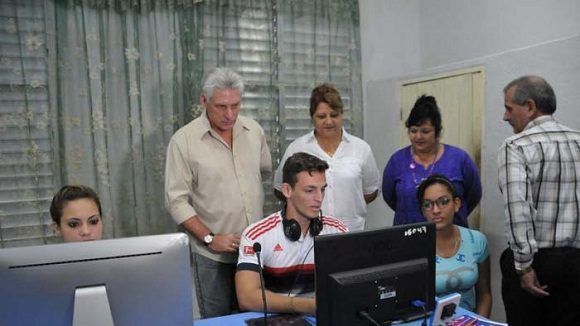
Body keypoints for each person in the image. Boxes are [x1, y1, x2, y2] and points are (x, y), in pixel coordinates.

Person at [164, 67, 272, 318]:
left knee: (257, 317)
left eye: (235, 105)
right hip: (212, 256)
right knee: (219, 319)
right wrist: (211, 238)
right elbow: (176, 201)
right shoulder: (184, 141)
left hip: (254, 251)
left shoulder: (254, 131)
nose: (230, 114)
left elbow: (263, 173)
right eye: (221, 106)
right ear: (204, 100)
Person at [497, 75, 580, 326]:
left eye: (509, 108)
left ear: (530, 107)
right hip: (576, 265)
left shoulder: (516, 146)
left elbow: (517, 209)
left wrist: (523, 267)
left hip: (536, 266)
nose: (505, 117)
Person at [236, 152, 347, 315]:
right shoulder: (256, 235)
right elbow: (247, 298)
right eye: (310, 190)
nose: (319, 198)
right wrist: (306, 306)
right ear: (287, 190)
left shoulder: (337, 230)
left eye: (322, 190)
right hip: (277, 318)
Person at [273, 83, 380, 231]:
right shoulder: (296, 149)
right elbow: (280, 189)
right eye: (321, 116)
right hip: (309, 235)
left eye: (334, 115)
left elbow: (370, 192)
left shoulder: (361, 149)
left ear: (342, 114)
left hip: (351, 232)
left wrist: (349, 202)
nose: (329, 121)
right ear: (312, 118)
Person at [382, 95, 481, 227]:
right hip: (408, 237)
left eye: (425, 131)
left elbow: (474, 195)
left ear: (437, 132)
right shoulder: (397, 161)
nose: (418, 136)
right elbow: (390, 197)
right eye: (413, 131)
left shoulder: (459, 159)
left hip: (451, 235)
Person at [417, 175, 492, 317]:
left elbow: (485, 295)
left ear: (456, 204)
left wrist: (480, 323)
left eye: (443, 202)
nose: (436, 210)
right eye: (428, 204)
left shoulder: (476, 240)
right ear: (422, 211)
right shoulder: (415, 247)